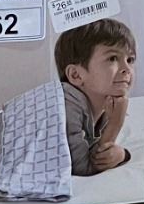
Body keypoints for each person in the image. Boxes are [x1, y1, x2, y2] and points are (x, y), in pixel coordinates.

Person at [56, 19, 137, 176]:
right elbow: (81, 168)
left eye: (130, 60)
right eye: (112, 58)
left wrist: (122, 154)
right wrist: (115, 124)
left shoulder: (105, 106)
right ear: (76, 75)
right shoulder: (66, 107)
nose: (127, 68)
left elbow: (96, 152)